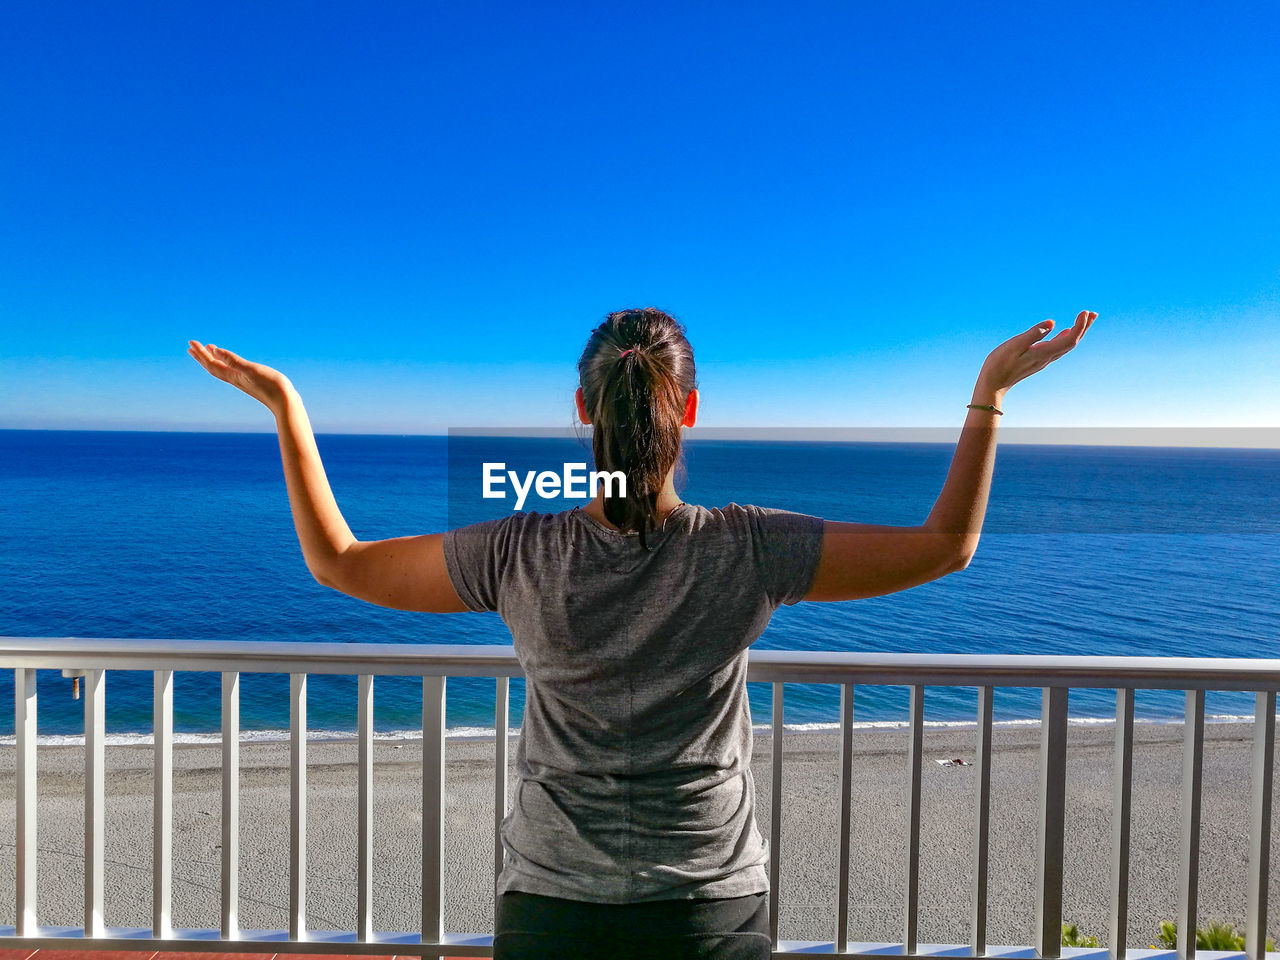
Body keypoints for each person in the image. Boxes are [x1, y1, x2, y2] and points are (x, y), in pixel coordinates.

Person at [188, 305, 1095, 959]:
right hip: (710, 908)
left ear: (582, 412)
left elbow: (341, 561)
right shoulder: (748, 547)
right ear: (688, 409)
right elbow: (946, 547)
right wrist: (988, 395)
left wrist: (285, 408)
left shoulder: (518, 550)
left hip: (552, 908)